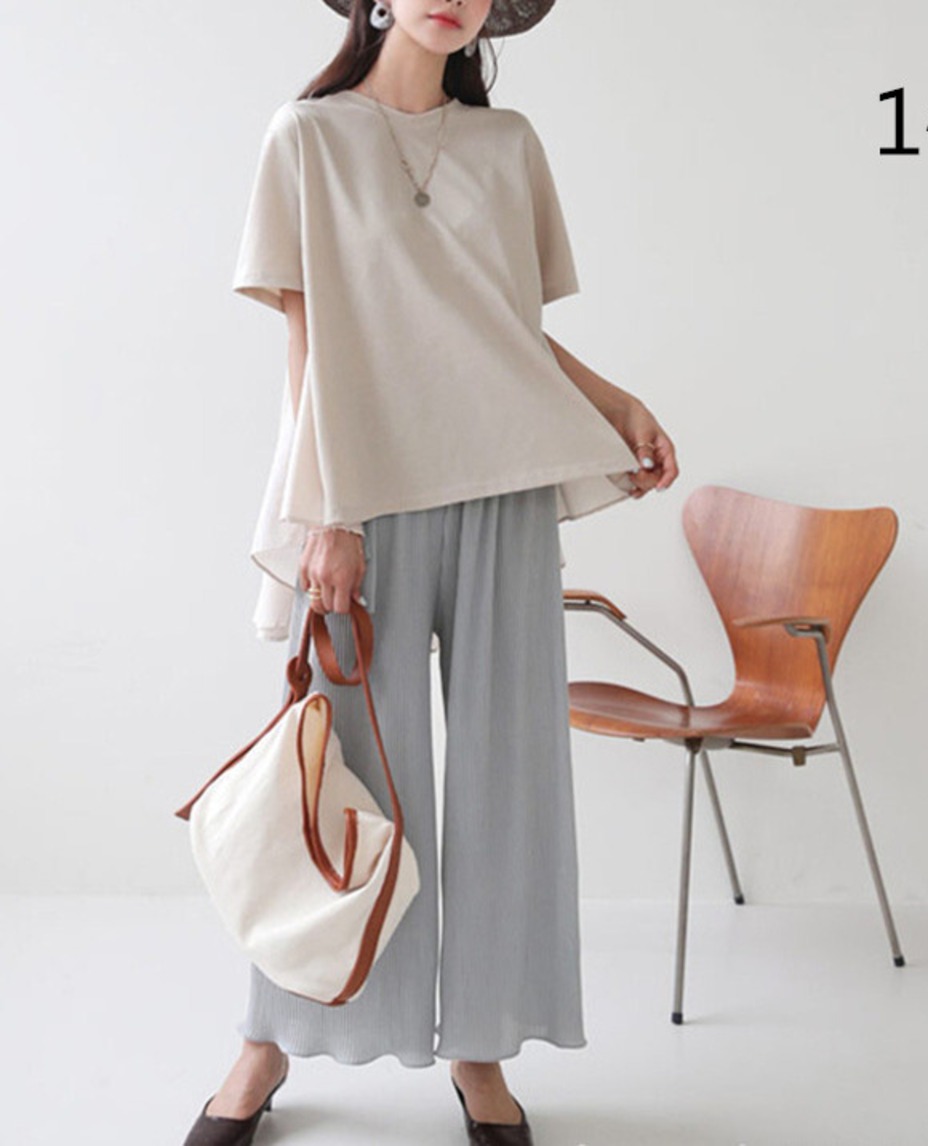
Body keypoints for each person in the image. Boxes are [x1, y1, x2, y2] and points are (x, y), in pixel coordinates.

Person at [182, 2, 677, 1143]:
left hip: (505, 487)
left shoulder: (507, 145)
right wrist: (328, 512)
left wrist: (614, 403)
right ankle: (267, 1042)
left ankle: (481, 1050)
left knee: (511, 779)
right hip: (366, 497)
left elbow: (500, 330)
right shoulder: (306, 137)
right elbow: (310, 345)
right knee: (344, 780)